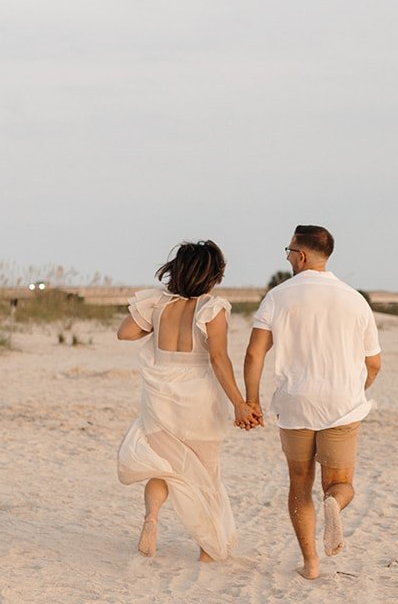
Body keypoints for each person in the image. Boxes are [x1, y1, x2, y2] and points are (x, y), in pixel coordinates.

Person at [244, 225, 382, 580]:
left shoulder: (278, 297)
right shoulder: (355, 299)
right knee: (339, 483)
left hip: (295, 404)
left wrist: (251, 400)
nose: (288, 257)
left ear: (300, 255)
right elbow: (374, 362)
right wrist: (354, 389)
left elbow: (255, 353)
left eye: (288, 251)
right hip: (341, 404)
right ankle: (334, 504)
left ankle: (310, 564)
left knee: (299, 483)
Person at [116, 241, 258, 562]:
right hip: (198, 398)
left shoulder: (157, 304)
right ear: (213, 276)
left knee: (164, 467)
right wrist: (239, 403)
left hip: (160, 395)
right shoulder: (212, 308)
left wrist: (151, 323)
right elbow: (219, 359)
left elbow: (124, 333)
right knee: (205, 473)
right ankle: (207, 549)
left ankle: (151, 519)